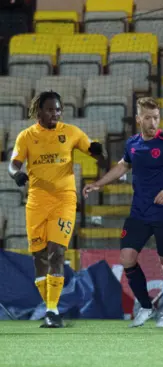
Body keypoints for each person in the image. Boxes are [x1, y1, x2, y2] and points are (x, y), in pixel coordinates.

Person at [83, 97, 163, 328]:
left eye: (156, 118)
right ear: (138, 119)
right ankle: (146, 306)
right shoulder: (132, 144)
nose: (153, 123)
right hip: (139, 212)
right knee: (127, 258)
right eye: (148, 118)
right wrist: (99, 184)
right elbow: (123, 165)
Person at [9, 91, 104, 328]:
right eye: (50, 109)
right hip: (37, 202)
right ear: (39, 111)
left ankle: (52, 310)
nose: (55, 114)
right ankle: (50, 306)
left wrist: (98, 151)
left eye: (58, 109)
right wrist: (16, 175)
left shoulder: (70, 132)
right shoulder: (26, 136)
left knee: (57, 252)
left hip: (64, 200)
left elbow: (91, 148)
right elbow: (13, 164)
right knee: (39, 256)